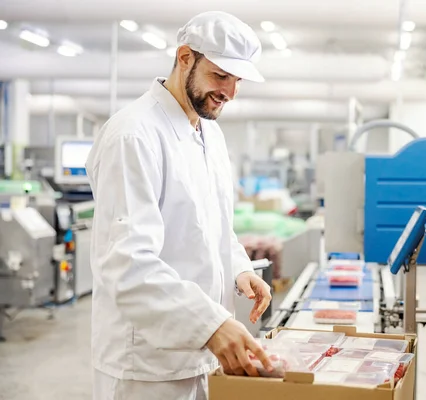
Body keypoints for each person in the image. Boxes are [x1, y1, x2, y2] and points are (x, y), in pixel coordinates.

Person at [86, 11, 273, 400]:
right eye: (220, 76)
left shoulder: (211, 134)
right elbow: (127, 263)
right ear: (185, 57)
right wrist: (211, 325)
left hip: (199, 352)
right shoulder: (133, 135)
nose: (230, 92)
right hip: (145, 365)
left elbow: (212, 225)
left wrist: (238, 268)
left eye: (237, 80)